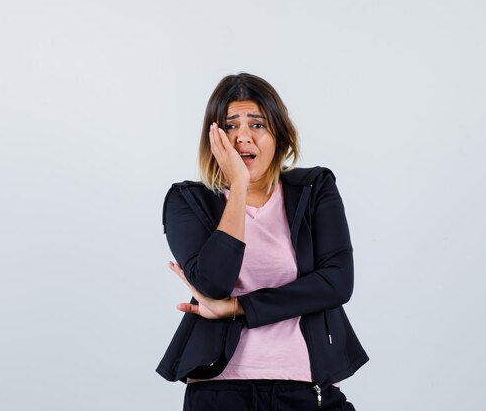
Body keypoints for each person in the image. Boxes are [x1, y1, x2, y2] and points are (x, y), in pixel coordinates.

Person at [157, 73, 368, 411]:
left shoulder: (314, 189)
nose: (243, 137)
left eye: (256, 125)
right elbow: (213, 283)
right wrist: (237, 186)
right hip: (220, 392)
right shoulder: (188, 201)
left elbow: (336, 283)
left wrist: (239, 307)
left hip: (303, 388)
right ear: (214, 137)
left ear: (279, 134)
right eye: (230, 126)